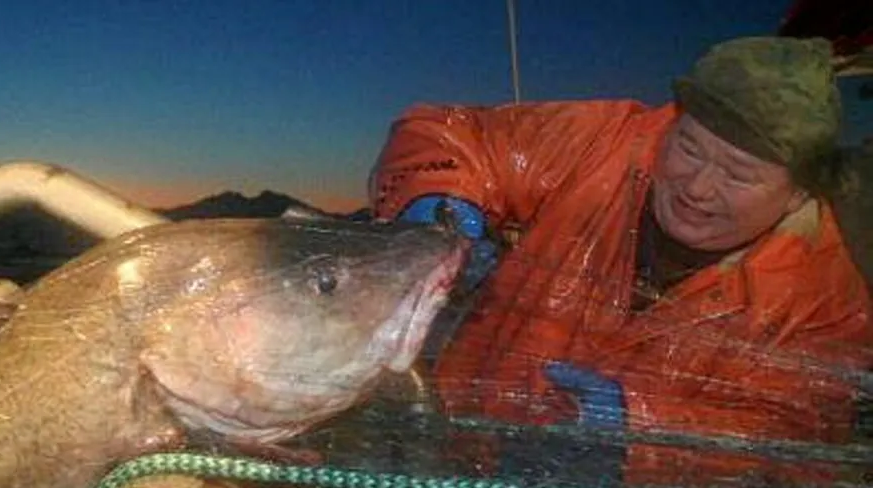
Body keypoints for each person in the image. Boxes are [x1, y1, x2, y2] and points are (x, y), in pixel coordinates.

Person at [368, 36, 873, 485]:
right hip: (445, 451)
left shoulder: (825, 299)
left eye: (738, 176)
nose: (696, 187)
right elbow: (445, 134)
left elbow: (798, 440)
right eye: (689, 149)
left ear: (798, 193)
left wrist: (636, 434)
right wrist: (436, 201)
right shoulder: (607, 142)